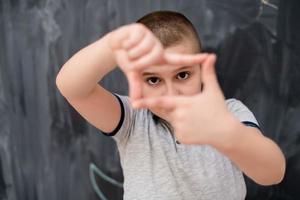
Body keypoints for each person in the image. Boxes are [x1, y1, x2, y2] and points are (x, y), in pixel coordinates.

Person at [56, 10, 285, 200]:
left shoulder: (230, 114)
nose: (171, 93)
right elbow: (71, 87)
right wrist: (113, 46)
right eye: (153, 80)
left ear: (201, 70)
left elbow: (272, 173)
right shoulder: (132, 120)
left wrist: (227, 133)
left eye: (183, 75)